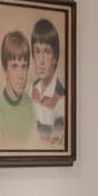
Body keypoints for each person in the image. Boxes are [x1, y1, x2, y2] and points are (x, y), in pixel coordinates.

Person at [27, 17, 68, 147]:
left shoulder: (61, 98)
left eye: (47, 52)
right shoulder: (31, 89)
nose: (41, 61)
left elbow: (56, 145)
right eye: (37, 51)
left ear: (55, 58)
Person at [0, 29, 37, 151]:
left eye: (24, 66)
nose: (21, 75)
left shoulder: (30, 106)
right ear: (4, 70)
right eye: (14, 66)